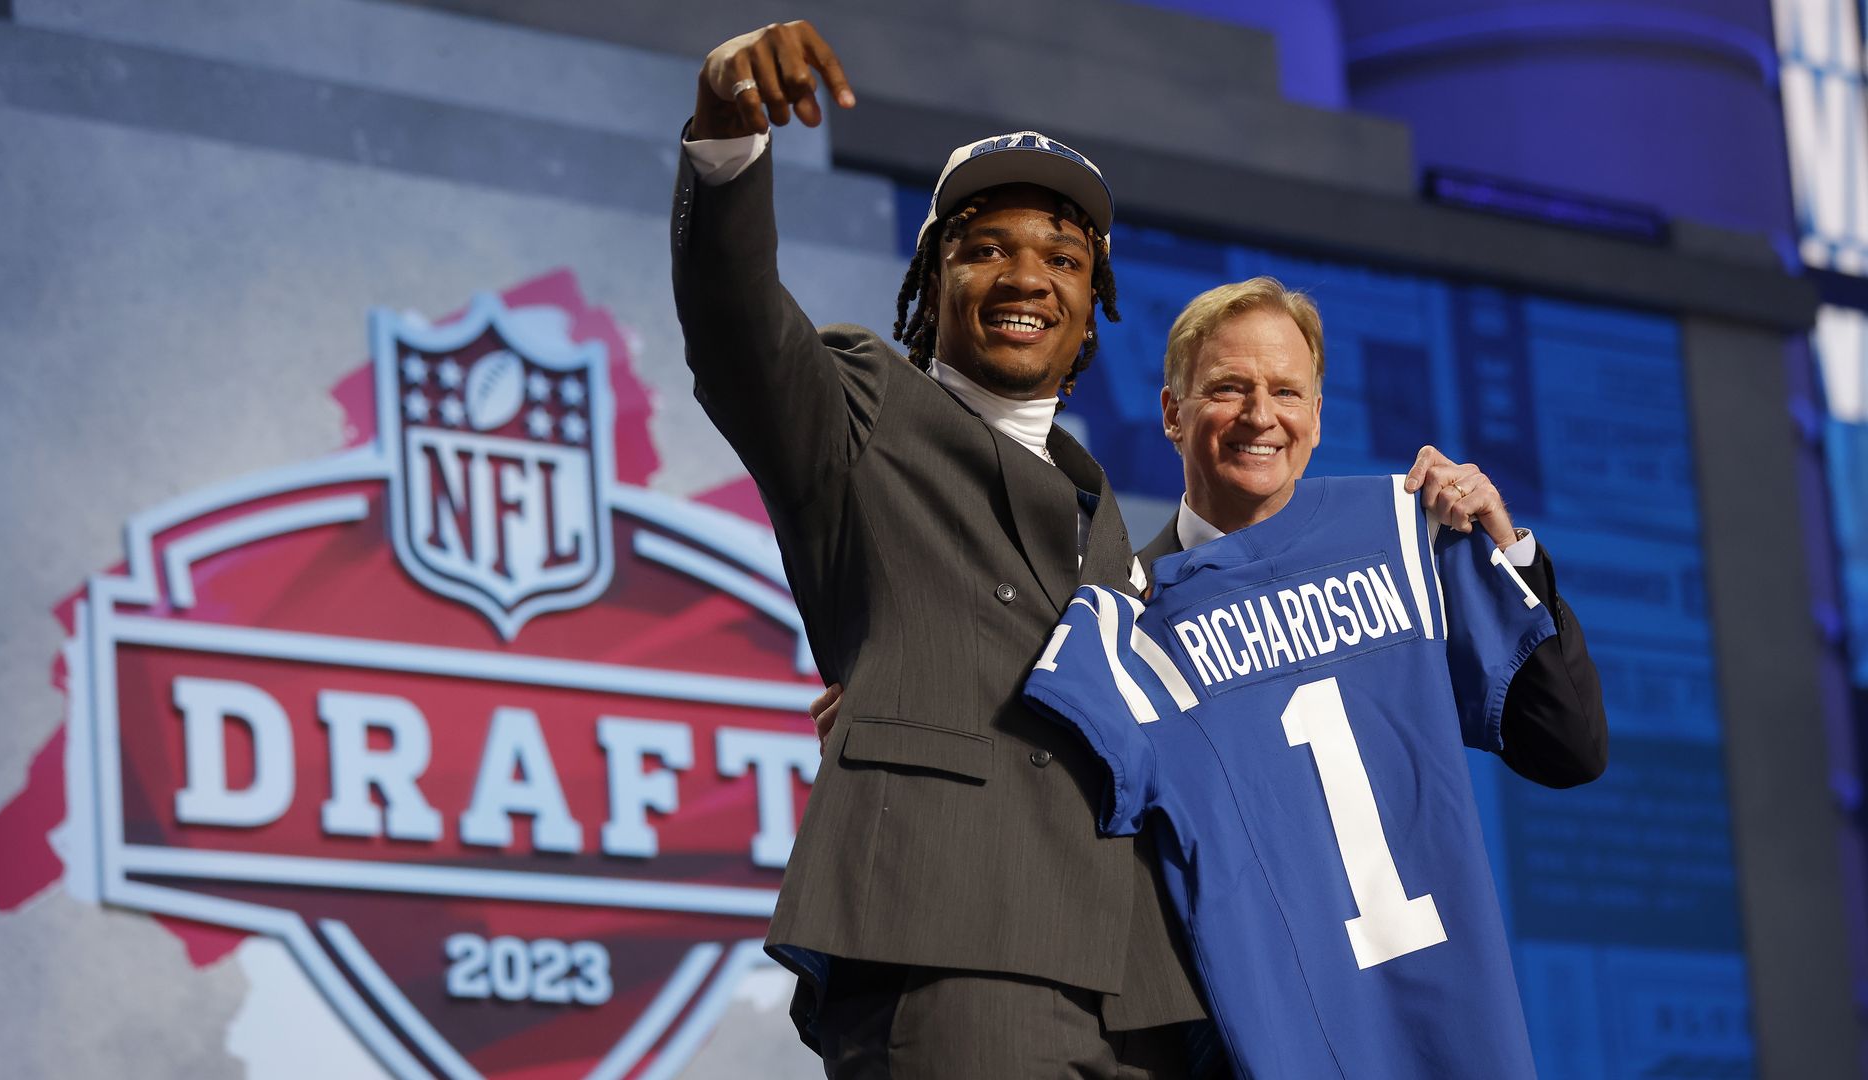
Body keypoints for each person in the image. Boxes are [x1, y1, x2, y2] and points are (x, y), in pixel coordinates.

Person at [672, 21, 1207, 1078]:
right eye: (986, 247)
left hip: (1131, 984)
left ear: (1092, 309)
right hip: (948, 939)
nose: (1027, 276)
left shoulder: (1098, 503)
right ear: (932, 275)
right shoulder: (861, 404)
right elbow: (736, 329)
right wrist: (727, 147)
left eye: (1063, 256)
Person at [1135, 277, 1606, 787]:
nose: (1260, 416)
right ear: (1172, 414)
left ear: (1315, 420)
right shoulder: (1125, 607)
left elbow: (1568, 748)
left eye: (1286, 392)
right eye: (1229, 388)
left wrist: (1505, 552)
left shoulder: (1405, 563)